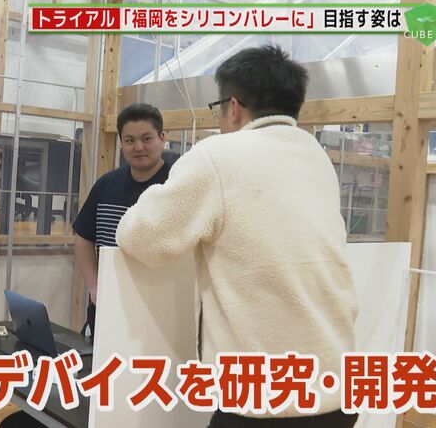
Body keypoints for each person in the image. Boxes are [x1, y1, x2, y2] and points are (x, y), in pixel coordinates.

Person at [115, 45, 359, 427]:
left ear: (233, 107)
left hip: (263, 401)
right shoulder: (316, 156)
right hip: (337, 390)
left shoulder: (217, 155)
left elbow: (142, 237)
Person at [73, 103, 172, 337]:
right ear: (121, 143)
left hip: (159, 313)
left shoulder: (177, 186)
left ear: (162, 139)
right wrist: (94, 285)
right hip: (107, 307)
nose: (138, 147)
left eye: (146, 139)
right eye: (129, 140)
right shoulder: (106, 184)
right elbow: (83, 236)